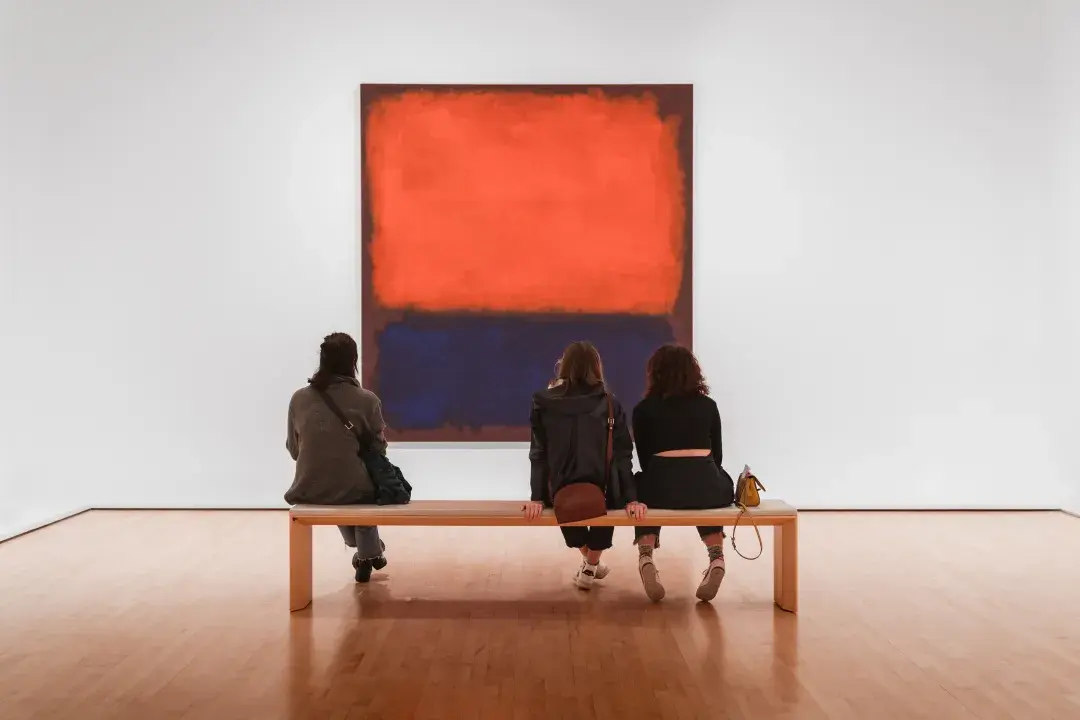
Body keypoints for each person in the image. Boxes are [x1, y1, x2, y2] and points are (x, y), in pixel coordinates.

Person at [524, 341, 646, 590]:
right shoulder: (609, 403)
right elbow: (623, 454)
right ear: (596, 368)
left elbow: (539, 453)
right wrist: (631, 497)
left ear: (564, 366)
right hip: (604, 487)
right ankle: (591, 564)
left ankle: (590, 564)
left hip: (559, 488)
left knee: (564, 501)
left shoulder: (543, 402)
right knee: (609, 497)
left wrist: (537, 497)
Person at [631, 344, 735, 603]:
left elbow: (645, 460)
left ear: (655, 373)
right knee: (710, 481)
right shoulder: (708, 406)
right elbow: (717, 456)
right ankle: (716, 557)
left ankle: (646, 555)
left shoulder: (643, 409)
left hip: (660, 489)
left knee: (641, 486)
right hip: (706, 488)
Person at [285, 332, 389, 583]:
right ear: (353, 361)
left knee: (337, 483)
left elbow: (294, 449)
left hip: (308, 488)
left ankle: (369, 552)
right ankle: (370, 552)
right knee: (359, 489)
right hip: (354, 490)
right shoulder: (367, 400)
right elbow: (378, 450)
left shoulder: (299, 398)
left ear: (322, 360)